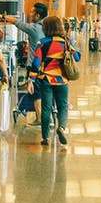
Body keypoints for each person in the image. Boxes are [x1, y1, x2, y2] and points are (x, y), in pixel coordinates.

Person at [29, 15, 80, 149]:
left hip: (45, 80)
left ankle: (45, 137)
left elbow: (36, 62)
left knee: (46, 108)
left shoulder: (42, 43)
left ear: (46, 28)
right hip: (62, 80)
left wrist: (31, 80)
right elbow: (77, 57)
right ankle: (62, 128)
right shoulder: (66, 42)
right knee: (63, 106)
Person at [2, 3, 48, 124]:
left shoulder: (34, 28)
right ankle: (45, 115)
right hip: (48, 65)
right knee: (44, 91)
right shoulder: (48, 27)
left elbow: (18, 23)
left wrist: (5, 17)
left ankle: (39, 118)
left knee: (35, 92)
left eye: (32, 12)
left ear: (38, 15)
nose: (30, 14)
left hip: (34, 65)